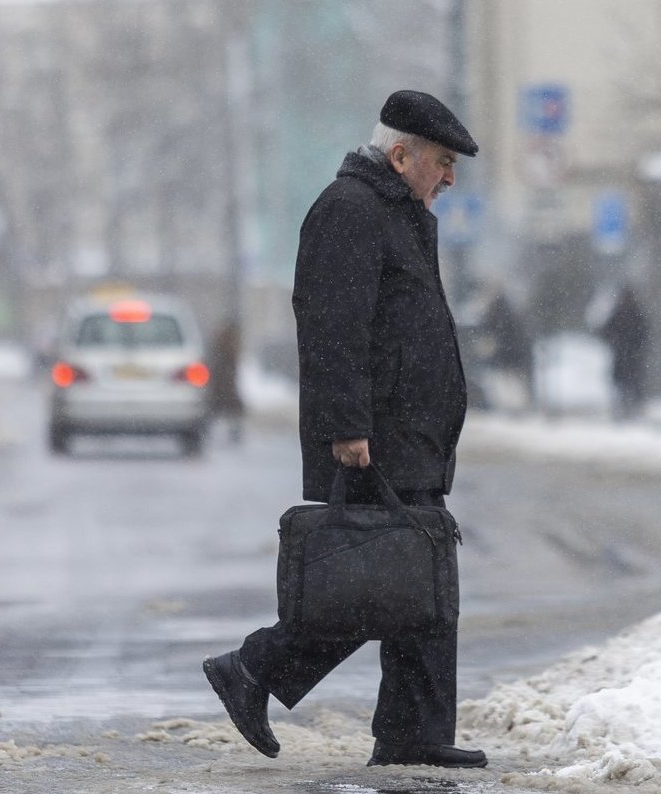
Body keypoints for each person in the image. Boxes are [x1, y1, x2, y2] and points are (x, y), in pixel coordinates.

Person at [203, 90, 486, 769]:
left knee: (416, 583)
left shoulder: (399, 212)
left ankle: (412, 731)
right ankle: (255, 667)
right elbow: (332, 325)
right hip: (375, 438)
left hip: (407, 433)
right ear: (400, 155)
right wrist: (346, 426)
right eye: (442, 163)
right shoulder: (350, 211)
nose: (448, 178)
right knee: (388, 585)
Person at [599, 285, 650, 419]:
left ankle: (631, 409)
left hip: (631, 356)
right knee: (623, 385)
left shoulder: (634, 313)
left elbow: (643, 334)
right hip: (623, 356)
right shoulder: (619, 313)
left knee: (631, 385)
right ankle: (624, 409)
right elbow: (606, 331)